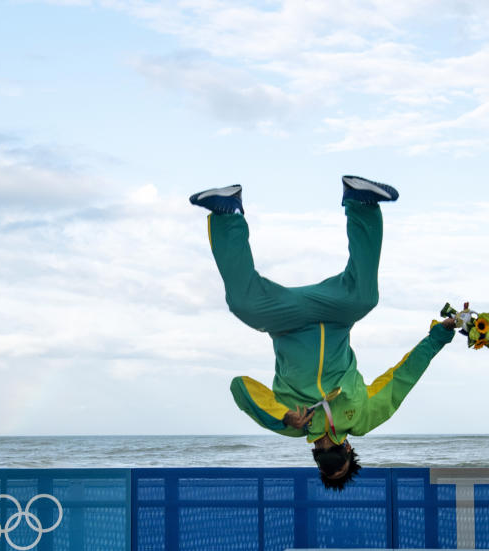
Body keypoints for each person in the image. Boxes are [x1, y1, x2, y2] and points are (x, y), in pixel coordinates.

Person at [189, 176, 456, 490]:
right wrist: (439, 335)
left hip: (284, 321)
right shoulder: (363, 418)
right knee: (365, 297)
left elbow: (240, 387)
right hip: (335, 317)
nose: (324, 449)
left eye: (321, 457)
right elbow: (402, 378)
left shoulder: (289, 425)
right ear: (348, 449)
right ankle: (360, 202)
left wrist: (284, 415)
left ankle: (226, 211)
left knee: (242, 304)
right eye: (334, 456)